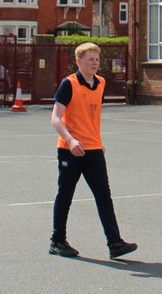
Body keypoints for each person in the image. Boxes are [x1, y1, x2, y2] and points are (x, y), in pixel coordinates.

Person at [49, 42, 137, 260]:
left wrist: (97, 141)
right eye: (90, 59)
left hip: (93, 148)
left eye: (97, 59)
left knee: (103, 196)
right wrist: (70, 140)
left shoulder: (101, 83)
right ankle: (57, 240)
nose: (95, 63)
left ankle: (114, 242)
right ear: (79, 62)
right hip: (70, 149)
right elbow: (56, 118)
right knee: (65, 194)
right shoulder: (68, 84)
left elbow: (91, 116)